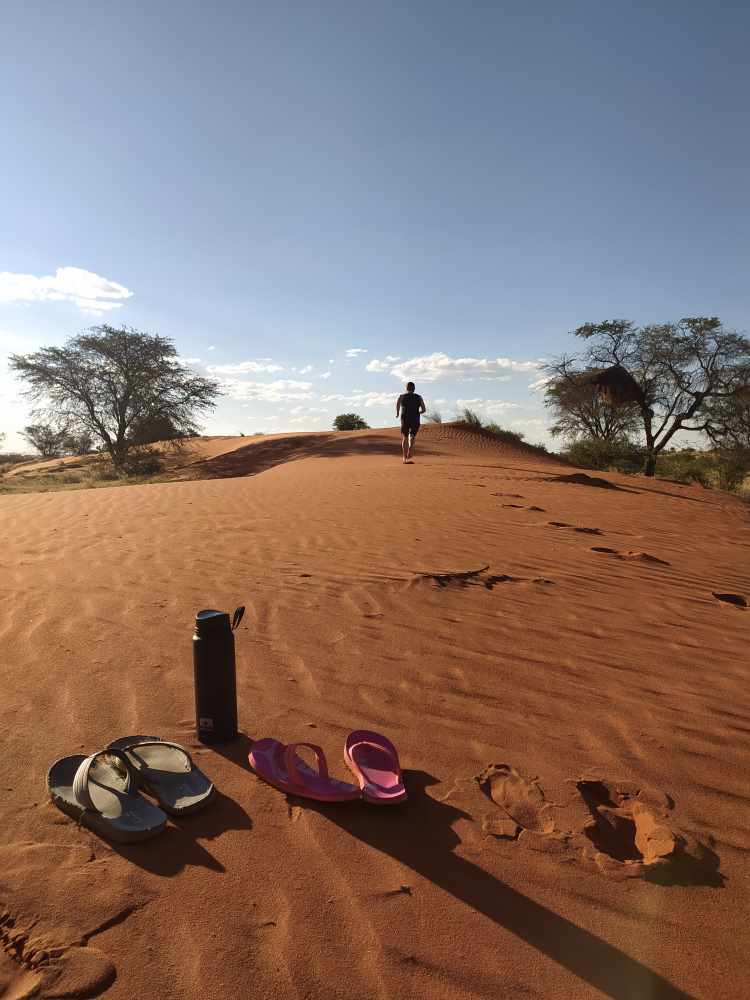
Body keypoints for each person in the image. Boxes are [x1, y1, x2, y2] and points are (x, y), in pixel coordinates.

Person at [396, 382, 426, 463]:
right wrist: (419, 412)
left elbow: (398, 404)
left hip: (405, 418)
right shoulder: (419, 397)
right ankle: (410, 448)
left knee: (405, 437)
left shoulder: (402, 396)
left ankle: (404, 458)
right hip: (415, 418)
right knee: (412, 435)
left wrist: (398, 413)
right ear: (414, 388)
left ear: (406, 388)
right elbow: (424, 409)